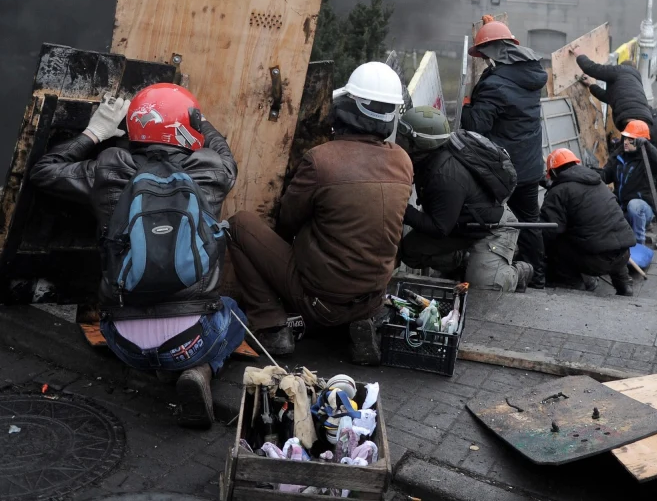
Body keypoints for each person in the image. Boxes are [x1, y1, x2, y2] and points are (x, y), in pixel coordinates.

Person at [29, 84, 243, 427]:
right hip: (193, 341)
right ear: (186, 127)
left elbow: (44, 170)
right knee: (233, 313)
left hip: (122, 343)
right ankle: (200, 368)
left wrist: (94, 132)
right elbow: (224, 151)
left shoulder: (107, 168)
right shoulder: (213, 170)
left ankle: (159, 363)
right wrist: (201, 122)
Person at [227, 62, 413, 363]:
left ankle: (271, 326)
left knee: (239, 225)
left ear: (348, 108)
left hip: (320, 302)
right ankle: (358, 320)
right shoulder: (403, 161)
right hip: (373, 296)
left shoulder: (321, 160)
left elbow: (287, 222)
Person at [395, 106, 531, 292]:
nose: (398, 141)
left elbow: (439, 228)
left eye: (404, 139)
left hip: (490, 229)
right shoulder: (429, 159)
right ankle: (467, 262)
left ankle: (518, 272)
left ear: (421, 144)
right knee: (410, 252)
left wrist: (399, 206)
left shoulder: (445, 175)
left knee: (484, 289)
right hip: (460, 224)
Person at [461, 15, 549, 288]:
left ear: (493, 54)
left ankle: (495, 272)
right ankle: (539, 277)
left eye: (484, 54)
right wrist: (493, 28)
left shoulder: (495, 84)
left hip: (504, 170)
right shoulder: (530, 74)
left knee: (492, 219)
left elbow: (478, 125)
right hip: (531, 166)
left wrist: (466, 106)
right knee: (530, 221)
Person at [540, 148, 636, 296]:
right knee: (610, 239)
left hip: (597, 262)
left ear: (553, 172)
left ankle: (573, 285)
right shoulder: (597, 182)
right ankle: (624, 283)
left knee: (556, 244)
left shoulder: (558, 192)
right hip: (624, 254)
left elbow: (549, 230)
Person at [601, 119, 657, 245]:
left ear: (640, 141)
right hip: (622, 209)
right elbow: (605, 175)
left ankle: (638, 245)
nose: (626, 142)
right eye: (625, 138)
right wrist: (591, 173)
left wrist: (648, 147)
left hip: (643, 210)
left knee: (635, 205)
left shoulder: (646, 159)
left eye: (630, 139)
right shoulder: (619, 156)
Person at [571, 51, 652, 130]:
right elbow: (608, 97)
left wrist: (579, 55)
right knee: (636, 141)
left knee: (630, 140)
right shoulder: (634, 81)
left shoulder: (620, 70)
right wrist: (590, 85)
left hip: (628, 116)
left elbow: (592, 69)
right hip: (644, 118)